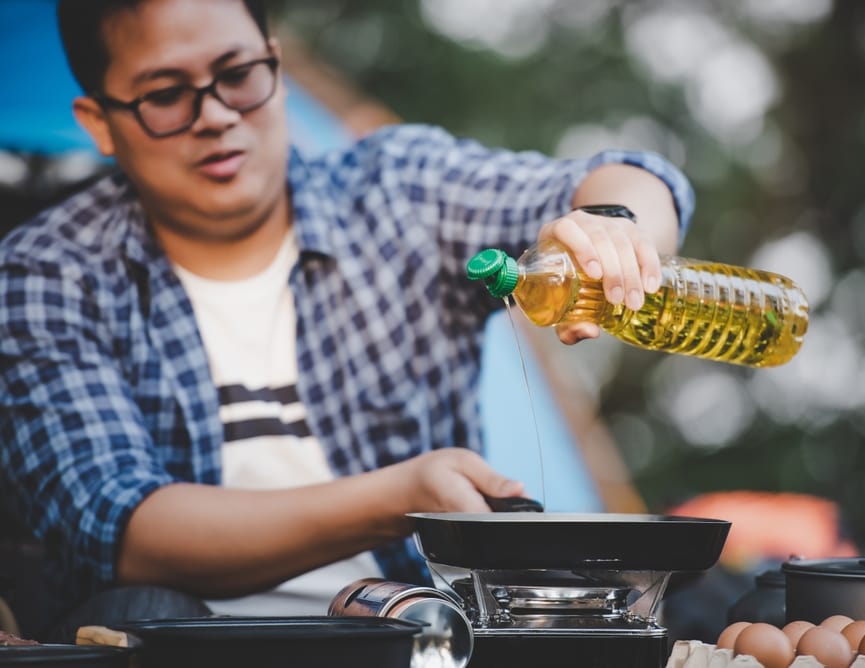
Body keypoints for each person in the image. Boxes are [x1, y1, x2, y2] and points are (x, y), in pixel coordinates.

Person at [0, 0, 694, 641]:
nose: (214, 115)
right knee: (138, 615)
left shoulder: (397, 192)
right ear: (99, 122)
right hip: (192, 638)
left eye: (237, 74)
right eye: (165, 95)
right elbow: (121, 532)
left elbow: (630, 174)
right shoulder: (46, 270)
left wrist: (611, 227)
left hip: (414, 627)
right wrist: (398, 498)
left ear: (273, 62)